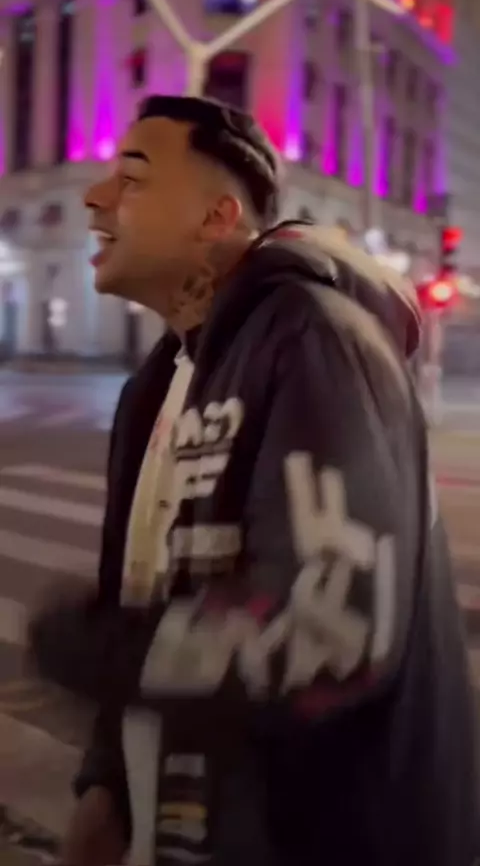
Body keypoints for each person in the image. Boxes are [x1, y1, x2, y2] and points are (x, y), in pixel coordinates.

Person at [29, 96, 478, 866]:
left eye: (131, 178)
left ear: (217, 217)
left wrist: (84, 643)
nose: (95, 199)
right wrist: (108, 785)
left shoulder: (316, 337)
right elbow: (152, 586)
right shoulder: (153, 388)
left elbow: (331, 628)